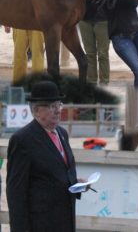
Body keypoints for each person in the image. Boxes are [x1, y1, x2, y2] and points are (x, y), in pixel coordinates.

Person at [7, 80, 86, 231]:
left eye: (59, 105)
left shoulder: (62, 134)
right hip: (40, 224)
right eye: (51, 106)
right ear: (36, 110)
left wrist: (76, 184)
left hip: (65, 220)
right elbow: (16, 193)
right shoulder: (23, 140)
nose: (57, 111)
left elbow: (57, 173)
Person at [80, 0, 110, 85]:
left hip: (102, 18)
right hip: (84, 18)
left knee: (103, 53)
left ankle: (104, 83)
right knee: (90, 54)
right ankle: (91, 82)